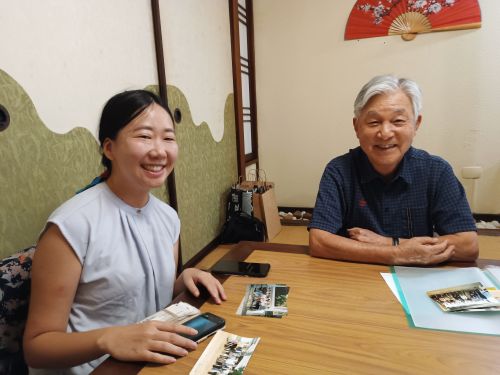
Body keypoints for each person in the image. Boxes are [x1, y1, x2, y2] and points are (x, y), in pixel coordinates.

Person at [23, 90, 226, 374]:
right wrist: (108, 339)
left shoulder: (168, 217)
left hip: (147, 361)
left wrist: (182, 280)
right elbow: (36, 348)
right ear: (109, 148)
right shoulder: (71, 226)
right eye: (144, 136)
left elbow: (146, 297)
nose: (159, 150)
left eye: (168, 138)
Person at [309, 75, 478, 266]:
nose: (386, 133)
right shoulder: (339, 170)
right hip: (354, 279)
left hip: (416, 282)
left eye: (398, 121)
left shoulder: (436, 171)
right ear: (356, 127)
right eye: (373, 122)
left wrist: (389, 243)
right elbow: (319, 241)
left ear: (416, 124)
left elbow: (468, 245)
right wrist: (396, 254)